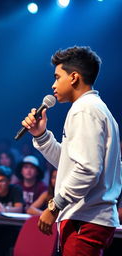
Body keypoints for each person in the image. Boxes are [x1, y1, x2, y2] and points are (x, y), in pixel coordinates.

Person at [21, 46, 121, 255]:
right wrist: (41, 135)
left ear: (74, 77)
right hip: (89, 218)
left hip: (85, 219)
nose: (53, 84)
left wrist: (54, 206)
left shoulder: (84, 109)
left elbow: (87, 169)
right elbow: (71, 164)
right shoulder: (95, 108)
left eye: (57, 77)